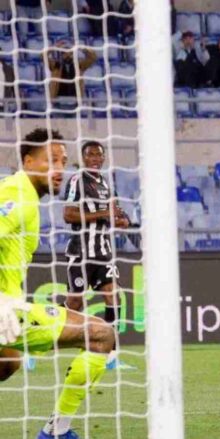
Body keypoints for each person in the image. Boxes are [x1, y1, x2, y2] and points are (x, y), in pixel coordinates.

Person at [0, 128, 116, 439]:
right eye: (50, 160)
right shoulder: (16, 193)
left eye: (63, 161)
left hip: (7, 312)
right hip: (4, 309)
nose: (59, 169)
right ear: (27, 161)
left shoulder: (24, 196)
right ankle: (56, 432)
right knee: (102, 334)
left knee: (7, 363)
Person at [62, 140, 133, 371]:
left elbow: (116, 213)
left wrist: (123, 220)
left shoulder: (106, 183)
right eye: (91, 154)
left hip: (103, 251)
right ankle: (44, 335)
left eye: (99, 155)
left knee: (113, 296)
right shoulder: (77, 180)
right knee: (75, 302)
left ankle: (110, 355)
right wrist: (105, 213)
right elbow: (69, 215)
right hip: (81, 250)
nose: (95, 158)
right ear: (84, 158)